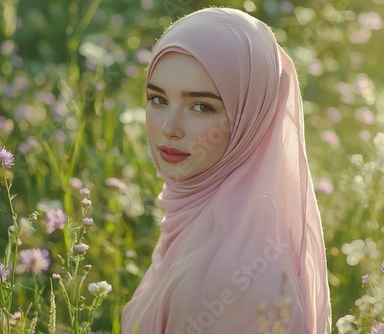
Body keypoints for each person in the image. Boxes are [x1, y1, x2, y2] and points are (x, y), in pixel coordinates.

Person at [121, 7, 331, 334]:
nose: (169, 128)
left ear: (251, 114)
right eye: (158, 99)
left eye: (201, 106)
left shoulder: (242, 278)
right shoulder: (195, 219)